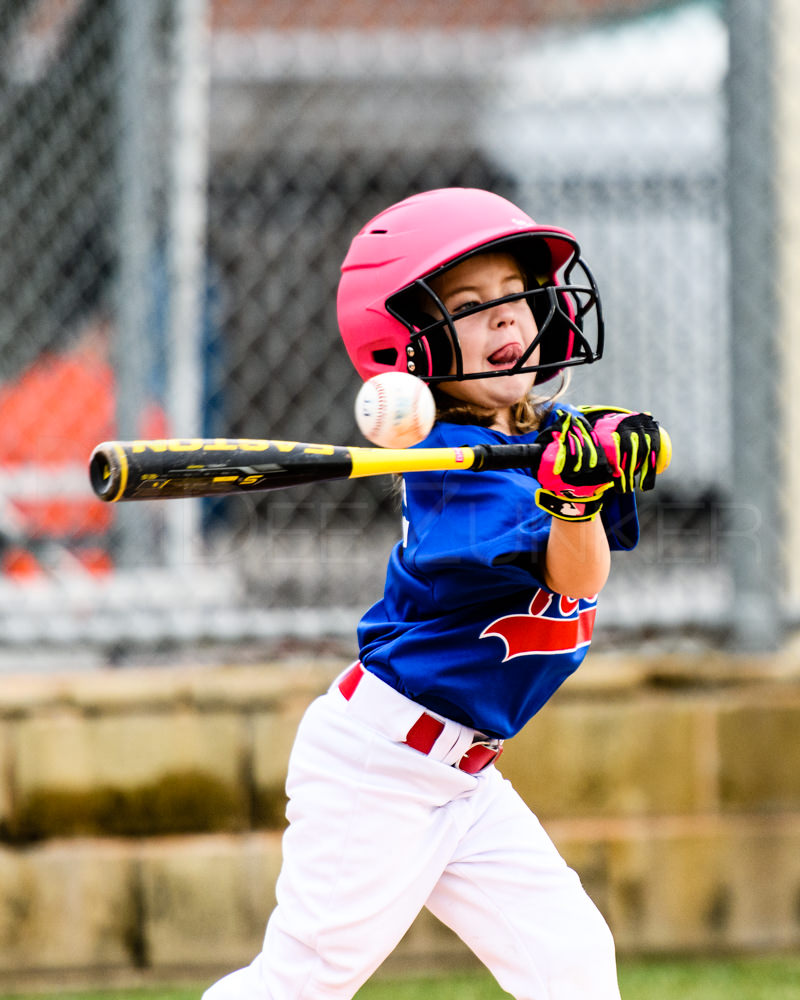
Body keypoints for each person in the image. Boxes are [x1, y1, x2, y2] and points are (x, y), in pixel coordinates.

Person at [203, 188, 667, 1000]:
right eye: (470, 307)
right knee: (303, 983)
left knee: (572, 961)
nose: (507, 318)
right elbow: (575, 577)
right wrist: (573, 501)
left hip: (465, 775)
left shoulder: (525, 440)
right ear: (408, 344)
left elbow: (586, 514)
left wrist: (598, 450)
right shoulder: (447, 472)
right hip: (380, 770)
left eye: (519, 296)